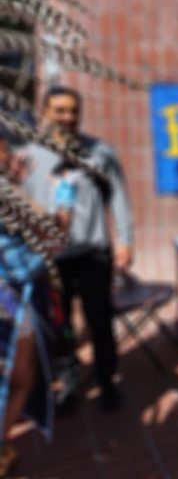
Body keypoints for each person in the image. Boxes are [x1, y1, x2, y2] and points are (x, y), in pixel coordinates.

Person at [21, 86, 134, 412]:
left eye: (73, 111)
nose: (68, 118)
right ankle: (68, 385)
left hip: (94, 252)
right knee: (61, 325)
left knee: (100, 321)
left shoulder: (101, 152)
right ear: (44, 112)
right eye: (59, 111)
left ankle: (107, 381)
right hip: (52, 259)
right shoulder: (28, 157)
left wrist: (126, 241)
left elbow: (120, 198)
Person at [0, 131, 74, 475]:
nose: (13, 157)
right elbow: (55, 237)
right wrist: (64, 192)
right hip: (11, 298)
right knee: (21, 377)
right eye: (4, 153)